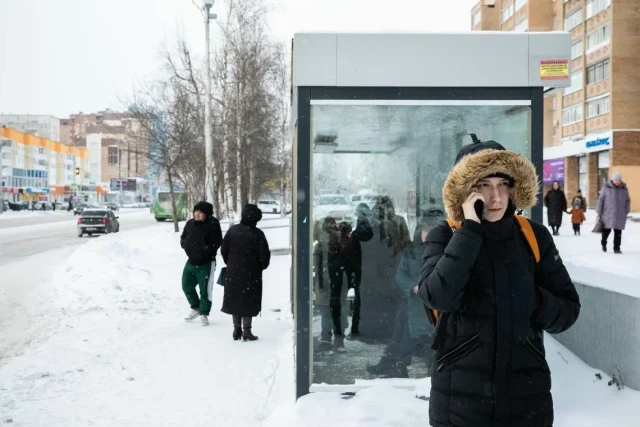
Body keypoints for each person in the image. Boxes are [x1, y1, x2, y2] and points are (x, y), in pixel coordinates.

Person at [418, 140, 580, 427]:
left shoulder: (533, 236)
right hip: (460, 404)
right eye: (483, 185)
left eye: (503, 184)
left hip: (527, 401)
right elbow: (437, 296)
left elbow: (568, 310)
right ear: (465, 190)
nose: (496, 197)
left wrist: (534, 300)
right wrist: (469, 232)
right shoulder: (445, 235)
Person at [366, 212, 440, 378]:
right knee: (403, 326)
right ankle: (395, 362)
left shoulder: (442, 252)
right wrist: (413, 287)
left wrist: (429, 288)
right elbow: (401, 275)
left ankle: (396, 362)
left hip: (431, 304)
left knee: (413, 332)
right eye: (425, 231)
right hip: (413, 300)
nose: (428, 235)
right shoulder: (411, 251)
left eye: (433, 231)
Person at [221, 204, 271, 341]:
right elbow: (264, 257)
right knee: (247, 300)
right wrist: (259, 266)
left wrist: (231, 264)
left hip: (233, 272)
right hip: (251, 274)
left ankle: (236, 329)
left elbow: (224, 251)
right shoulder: (258, 234)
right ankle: (247, 331)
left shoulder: (232, 231)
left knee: (236, 299)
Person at [180, 201, 223, 326]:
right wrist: (184, 244)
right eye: (195, 211)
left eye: (200, 212)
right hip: (191, 261)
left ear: (206, 214)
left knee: (205, 290)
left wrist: (205, 251)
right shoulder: (190, 223)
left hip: (206, 263)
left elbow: (217, 241)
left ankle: (204, 313)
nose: (196, 214)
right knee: (186, 285)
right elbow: (183, 237)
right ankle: (196, 307)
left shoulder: (213, 224)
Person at [337, 203, 373, 337]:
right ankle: (353, 326)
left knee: (352, 298)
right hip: (358, 270)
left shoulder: (357, 234)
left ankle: (350, 327)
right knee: (357, 298)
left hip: (352, 270)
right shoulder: (359, 234)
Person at [596, 172, 631, 254]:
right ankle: (603, 243)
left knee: (618, 233)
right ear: (612, 180)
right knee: (606, 232)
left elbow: (627, 200)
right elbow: (601, 200)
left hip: (620, 215)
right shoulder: (606, 188)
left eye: (618, 180)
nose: (617, 181)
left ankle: (617, 248)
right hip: (608, 214)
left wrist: (627, 210)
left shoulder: (624, 189)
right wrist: (599, 210)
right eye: (615, 180)